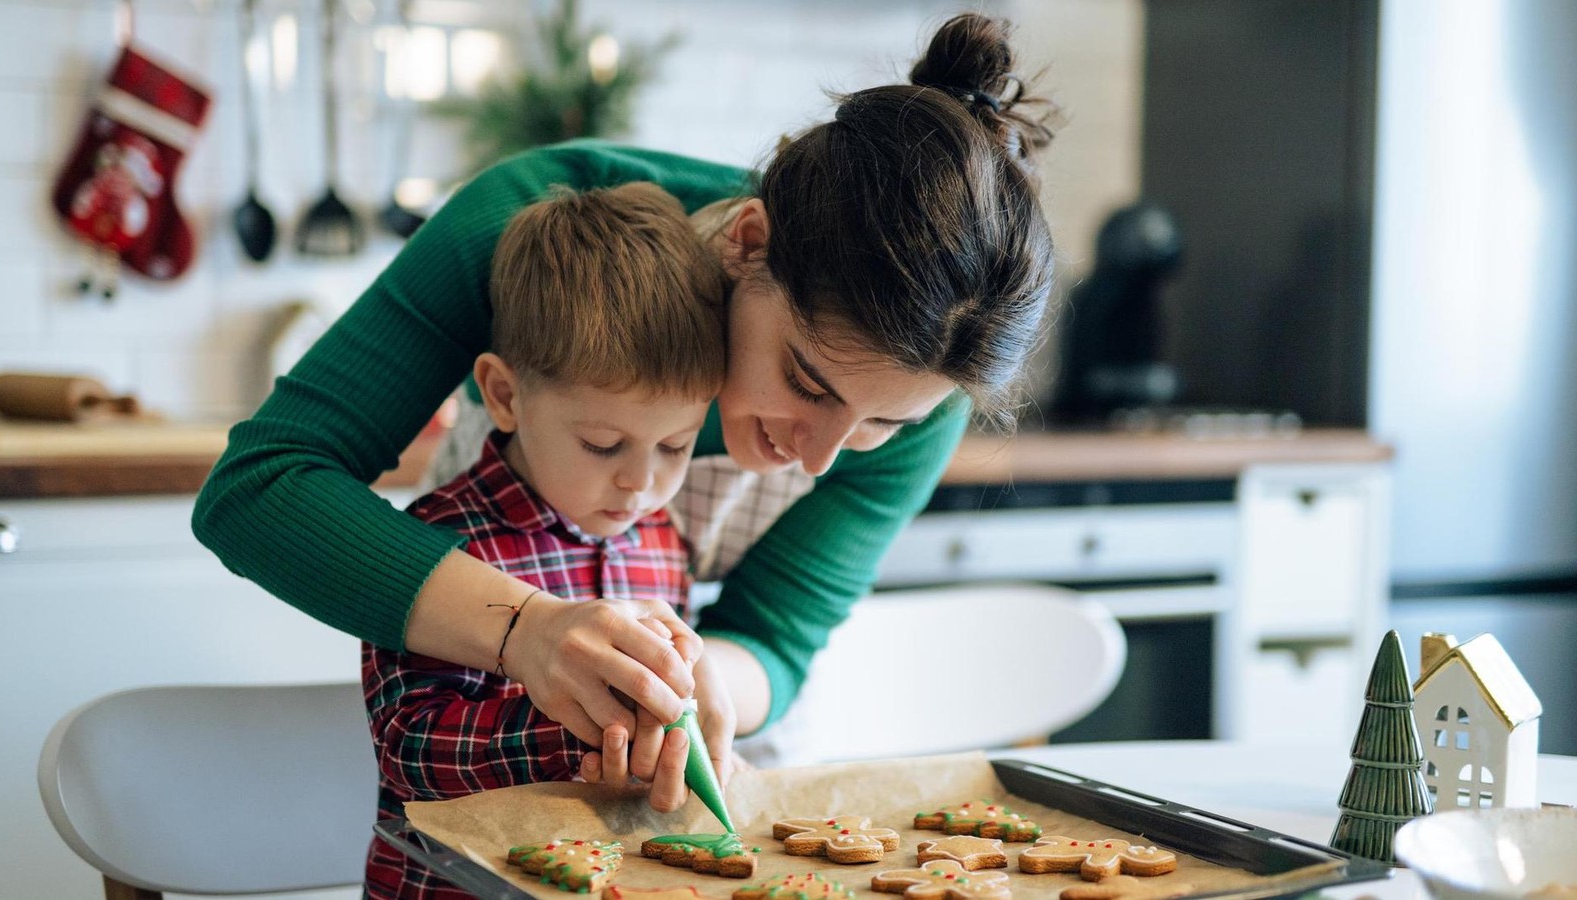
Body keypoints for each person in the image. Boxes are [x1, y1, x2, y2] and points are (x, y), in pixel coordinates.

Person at [193, 12, 1058, 812]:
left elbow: (777, 636)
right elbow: (261, 488)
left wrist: (690, 686)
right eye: (808, 381)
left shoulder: (929, 379)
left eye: (882, 425)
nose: (823, 457)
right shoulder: (528, 231)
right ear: (747, 242)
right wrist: (527, 632)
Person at [363, 182, 725, 899]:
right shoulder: (440, 545)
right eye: (602, 444)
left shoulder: (660, 538)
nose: (641, 484)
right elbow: (409, 750)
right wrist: (580, 724)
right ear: (503, 395)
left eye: (676, 447)